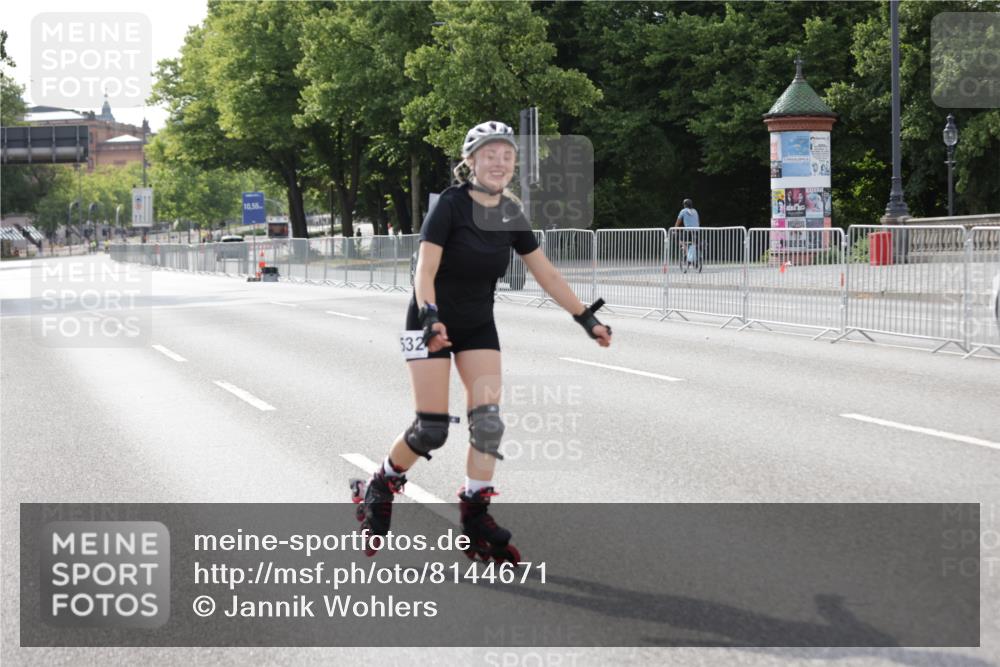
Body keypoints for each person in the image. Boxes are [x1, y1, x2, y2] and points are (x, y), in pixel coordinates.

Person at [352, 120, 613, 563]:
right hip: (426, 320)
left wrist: (585, 318)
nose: (499, 162)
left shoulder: (511, 213)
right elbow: (424, 271)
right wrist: (431, 318)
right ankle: (381, 484)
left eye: (507, 156)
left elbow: (545, 272)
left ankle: (475, 512)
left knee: (488, 423)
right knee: (430, 429)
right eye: (489, 154)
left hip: (476, 325)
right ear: (470, 161)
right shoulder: (450, 207)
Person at [674, 198, 701, 265]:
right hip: (696, 231)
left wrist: (674, 230)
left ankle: (687, 256)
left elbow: (678, 222)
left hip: (688, 231)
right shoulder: (695, 211)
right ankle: (695, 259)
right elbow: (698, 222)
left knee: (681, 241)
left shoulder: (683, 211)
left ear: (685, 205)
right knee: (693, 243)